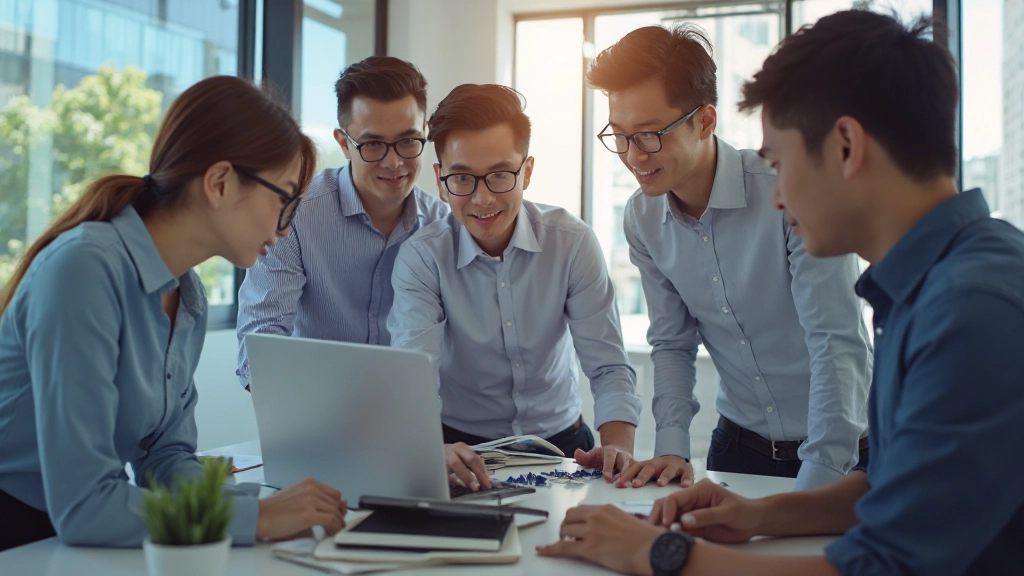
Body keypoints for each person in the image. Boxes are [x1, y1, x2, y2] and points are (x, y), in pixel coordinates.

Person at [539, 10, 1024, 576]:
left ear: (846, 147)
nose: (775, 197)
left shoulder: (970, 309)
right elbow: (889, 487)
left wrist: (660, 553)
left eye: (778, 162)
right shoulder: (924, 289)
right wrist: (758, 513)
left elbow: (887, 564)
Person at [0, 76, 347, 551]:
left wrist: (269, 504)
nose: (286, 229)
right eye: (284, 201)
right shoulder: (84, 268)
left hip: (68, 538)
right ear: (220, 183)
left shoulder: (188, 294)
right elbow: (85, 505)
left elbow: (164, 459)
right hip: (20, 535)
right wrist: (259, 517)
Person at [585, 24, 872, 490]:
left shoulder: (787, 194)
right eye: (619, 136)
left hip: (843, 453)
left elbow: (835, 343)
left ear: (705, 121)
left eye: (650, 135)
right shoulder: (642, 217)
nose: (634, 157)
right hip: (738, 449)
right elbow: (672, 342)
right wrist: (672, 448)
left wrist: (817, 480)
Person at [388, 84, 642, 490]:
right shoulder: (423, 258)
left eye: (500, 176)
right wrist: (425, 447)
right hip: (459, 448)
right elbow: (412, 373)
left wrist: (618, 447)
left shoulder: (571, 243)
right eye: (462, 178)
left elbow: (608, 365)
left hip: (563, 444)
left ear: (527, 171)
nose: (483, 199)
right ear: (440, 179)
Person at [236, 56, 448, 390]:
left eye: (408, 141)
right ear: (344, 143)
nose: (394, 162)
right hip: (315, 403)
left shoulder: (444, 226)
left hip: (415, 407)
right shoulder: (297, 215)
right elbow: (259, 344)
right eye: (373, 144)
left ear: (425, 132)